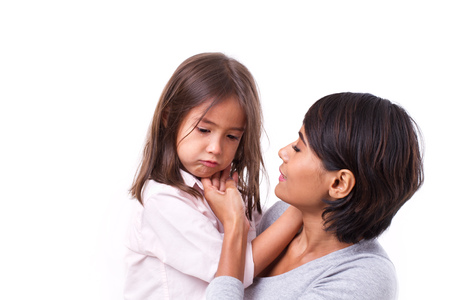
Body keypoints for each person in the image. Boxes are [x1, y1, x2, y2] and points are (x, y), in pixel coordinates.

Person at [203, 92, 424, 299]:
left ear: (339, 183)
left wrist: (234, 227)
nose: (283, 152)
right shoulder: (282, 214)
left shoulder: (363, 278)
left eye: (299, 148)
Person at [124, 52, 302, 299]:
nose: (216, 148)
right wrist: (302, 209)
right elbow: (237, 273)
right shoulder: (162, 201)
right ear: (169, 118)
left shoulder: (231, 193)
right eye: (204, 129)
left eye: (231, 136)